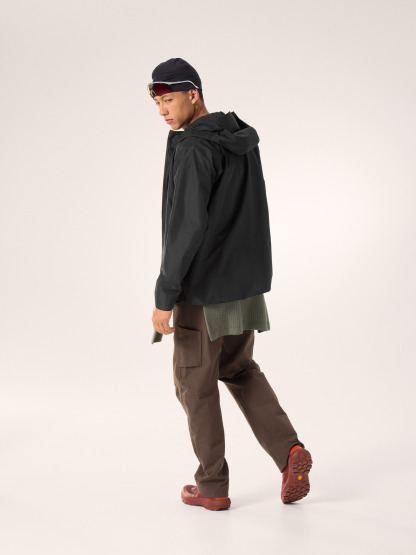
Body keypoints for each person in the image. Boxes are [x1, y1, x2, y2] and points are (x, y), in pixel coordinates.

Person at [148, 57, 313, 511]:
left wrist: (165, 294)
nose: (162, 111)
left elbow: (186, 228)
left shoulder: (195, 147)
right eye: (157, 103)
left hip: (205, 289)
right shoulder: (238, 138)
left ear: (194, 94)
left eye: (169, 100)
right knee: (238, 369)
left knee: (193, 382)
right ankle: (290, 452)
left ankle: (212, 486)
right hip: (244, 284)